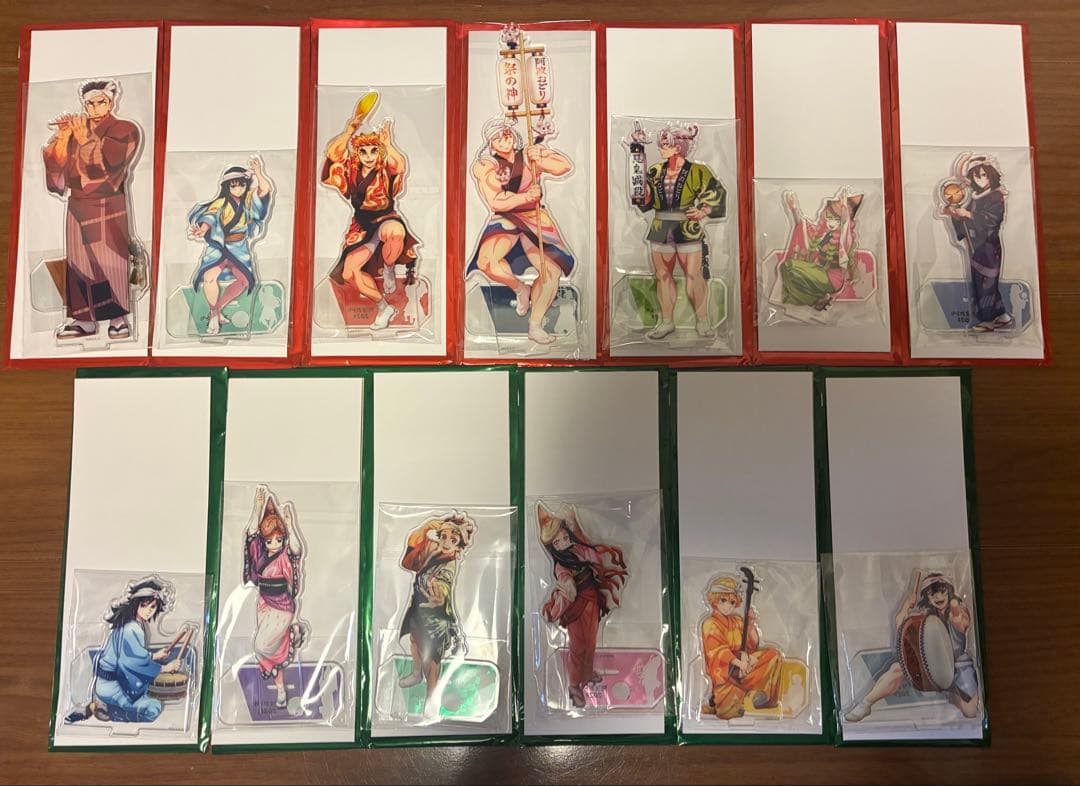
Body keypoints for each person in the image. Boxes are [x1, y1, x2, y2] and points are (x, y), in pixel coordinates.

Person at [43, 78, 142, 342]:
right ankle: (84, 320)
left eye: (101, 102)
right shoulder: (77, 129)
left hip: (109, 203)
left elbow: (111, 165)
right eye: (90, 103)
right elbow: (57, 173)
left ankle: (117, 319)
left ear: (112, 102)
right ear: (83, 104)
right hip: (78, 204)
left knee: (111, 260)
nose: (95, 108)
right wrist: (63, 138)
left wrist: (85, 138)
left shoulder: (125, 129)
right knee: (79, 263)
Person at [467, 117, 575, 346]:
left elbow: (564, 167)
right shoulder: (485, 165)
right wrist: (526, 196)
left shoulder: (528, 154)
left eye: (506, 133)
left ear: (513, 135)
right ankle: (520, 288)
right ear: (490, 143)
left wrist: (541, 158)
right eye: (496, 137)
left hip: (534, 216)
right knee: (486, 262)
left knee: (551, 271)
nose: (503, 138)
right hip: (505, 217)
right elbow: (496, 201)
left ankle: (535, 324)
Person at [322, 104, 421, 331]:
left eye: (373, 151)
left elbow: (400, 166)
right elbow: (332, 154)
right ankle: (383, 307)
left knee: (396, 233)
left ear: (379, 153)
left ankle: (388, 267)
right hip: (362, 225)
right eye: (364, 152)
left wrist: (388, 144)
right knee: (349, 273)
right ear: (357, 153)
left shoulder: (385, 169)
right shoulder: (350, 170)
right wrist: (349, 130)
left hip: (386, 218)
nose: (368, 156)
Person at [629, 123, 726, 339]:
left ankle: (702, 320)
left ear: (678, 147)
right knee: (663, 276)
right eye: (661, 143)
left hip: (687, 229)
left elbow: (716, 192)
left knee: (694, 275)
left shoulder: (698, 171)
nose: (660, 148)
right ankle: (667, 321)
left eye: (665, 144)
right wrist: (637, 151)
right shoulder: (655, 171)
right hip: (660, 227)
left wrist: (703, 211)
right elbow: (643, 198)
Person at [844, 571, 980, 722]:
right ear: (927, 597)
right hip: (928, 665)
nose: (938, 597)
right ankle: (865, 704)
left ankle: (952, 697)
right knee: (897, 669)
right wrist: (906, 606)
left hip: (957, 665)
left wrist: (957, 615)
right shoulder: (925, 616)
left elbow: (962, 623)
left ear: (949, 592)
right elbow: (900, 626)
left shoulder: (957, 611)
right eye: (932, 593)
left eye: (942, 591)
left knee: (971, 712)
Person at [538, 503, 628, 709]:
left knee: (591, 641)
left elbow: (592, 554)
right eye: (557, 541)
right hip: (575, 608)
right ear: (552, 547)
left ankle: (586, 674)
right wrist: (563, 597)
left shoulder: (578, 549)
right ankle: (573, 686)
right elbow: (567, 587)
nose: (563, 541)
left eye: (564, 536)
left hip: (592, 601)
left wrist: (574, 524)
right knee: (577, 647)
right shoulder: (561, 566)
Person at [65, 575, 185, 724]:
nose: (148, 611)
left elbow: (132, 654)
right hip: (114, 687)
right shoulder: (131, 628)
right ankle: (109, 711)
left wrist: (154, 656)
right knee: (154, 708)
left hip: (108, 685)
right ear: (135, 604)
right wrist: (166, 668)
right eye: (144, 605)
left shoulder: (131, 624)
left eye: (153, 607)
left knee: (147, 695)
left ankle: (100, 705)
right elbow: (132, 663)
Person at [397, 511, 476, 708]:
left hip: (436, 617)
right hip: (418, 609)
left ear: (459, 546)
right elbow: (408, 560)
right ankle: (416, 674)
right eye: (444, 537)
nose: (446, 542)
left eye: (453, 540)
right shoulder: (432, 549)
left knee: (432, 658)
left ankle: (431, 698)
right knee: (414, 642)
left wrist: (439, 597)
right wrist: (426, 527)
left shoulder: (449, 563)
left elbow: (444, 584)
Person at [188, 157, 273, 335]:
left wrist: (258, 172)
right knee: (209, 277)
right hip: (219, 246)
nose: (238, 189)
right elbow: (210, 216)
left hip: (239, 247)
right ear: (227, 187)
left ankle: (217, 310)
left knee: (244, 281)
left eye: (242, 185)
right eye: (234, 186)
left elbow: (265, 189)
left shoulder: (248, 199)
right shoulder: (221, 202)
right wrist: (203, 230)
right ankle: (214, 315)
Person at [243, 485, 307, 709]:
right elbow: (251, 535)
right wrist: (257, 508)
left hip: (282, 606)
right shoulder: (260, 554)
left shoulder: (284, 557)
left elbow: (296, 550)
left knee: (261, 645)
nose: (274, 544)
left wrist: (290, 525)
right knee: (272, 654)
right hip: (264, 604)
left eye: (278, 539)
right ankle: (280, 691)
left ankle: (292, 632)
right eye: (270, 540)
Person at [943, 154, 1012, 333]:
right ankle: (1002, 315)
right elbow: (966, 218)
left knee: (986, 283)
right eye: (976, 175)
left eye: (984, 175)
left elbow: (992, 220)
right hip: (977, 246)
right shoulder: (975, 197)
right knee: (984, 282)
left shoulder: (996, 196)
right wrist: (955, 214)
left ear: (991, 175)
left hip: (989, 247)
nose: (980, 179)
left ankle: (987, 320)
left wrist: (968, 214)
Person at [700, 575, 782, 719]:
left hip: (743, 666)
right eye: (723, 600)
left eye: (732, 602)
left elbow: (753, 645)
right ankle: (737, 697)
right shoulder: (710, 623)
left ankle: (764, 698)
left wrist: (750, 625)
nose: (728, 606)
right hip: (727, 673)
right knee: (729, 712)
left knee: (774, 655)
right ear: (715, 600)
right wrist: (739, 663)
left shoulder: (737, 620)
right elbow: (718, 651)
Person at [777, 189, 863, 311]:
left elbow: (845, 226)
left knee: (788, 266)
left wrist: (844, 209)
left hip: (833, 279)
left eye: (836, 219)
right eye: (830, 216)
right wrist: (794, 209)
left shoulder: (844, 240)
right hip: (818, 271)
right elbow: (803, 228)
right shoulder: (821, 233)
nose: (832, 221)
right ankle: (811, 302)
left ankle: (814, 301)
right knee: (786, 272)